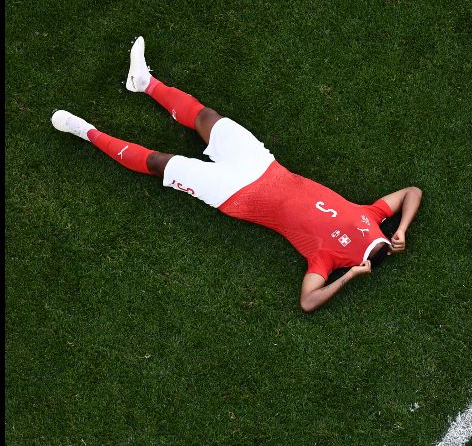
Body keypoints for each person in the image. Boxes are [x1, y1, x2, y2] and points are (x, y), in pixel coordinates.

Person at [51, 36, 423, 312]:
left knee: (160, 164)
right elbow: (412, 191)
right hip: (262, 163)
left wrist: (350, 277)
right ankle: (144, 83)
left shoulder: (327, 260)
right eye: (379, 240)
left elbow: (308, 302)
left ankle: (85, 130)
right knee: (206, 118)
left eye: (374, 246)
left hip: (234, 194)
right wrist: (402, 229)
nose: (372, 239)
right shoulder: (373, 216)